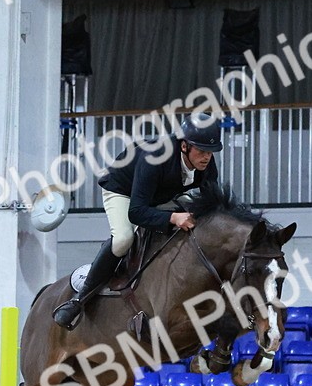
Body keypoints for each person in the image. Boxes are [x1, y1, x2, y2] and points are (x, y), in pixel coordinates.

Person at [53, 112, 223, 329]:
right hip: (123, 192)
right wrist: (173, 216)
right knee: (124, 238)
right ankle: (80, 299)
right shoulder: (154, 158)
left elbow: (213, 202)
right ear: (184, 146)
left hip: (162, 194)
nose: (207, 157)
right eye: (201, 150)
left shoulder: (205, 163)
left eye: (211, 151)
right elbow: (137, 213)